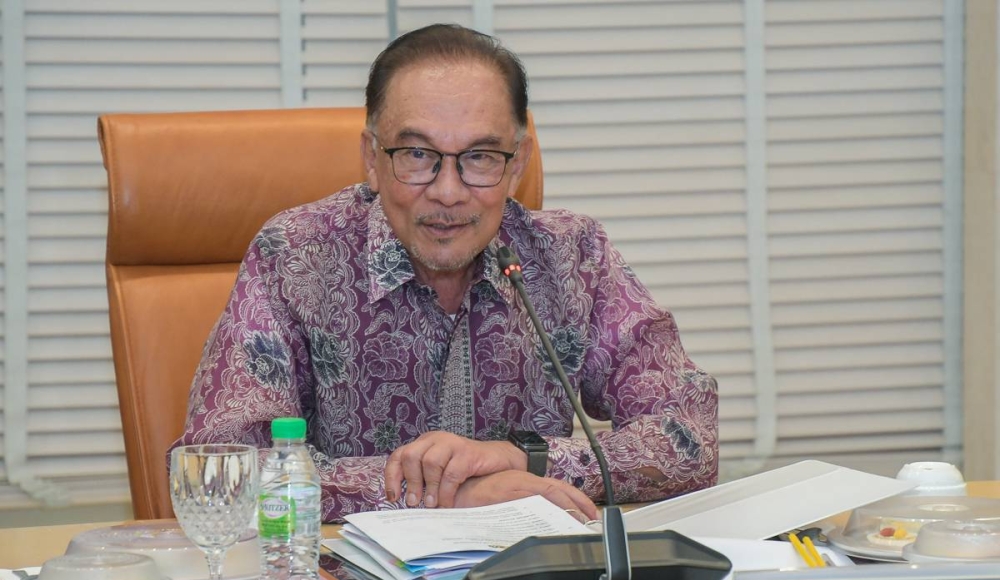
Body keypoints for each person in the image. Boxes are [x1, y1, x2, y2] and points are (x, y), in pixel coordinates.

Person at [172, 23, 718, 523]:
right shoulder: (296, 256)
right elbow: (219, 474)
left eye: (480, 156)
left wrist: (526, 459)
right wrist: (443, 495)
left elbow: (690, 440)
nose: (449, 191)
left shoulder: (573, 256)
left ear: (518, 162)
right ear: (370, 157)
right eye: (416, 154)